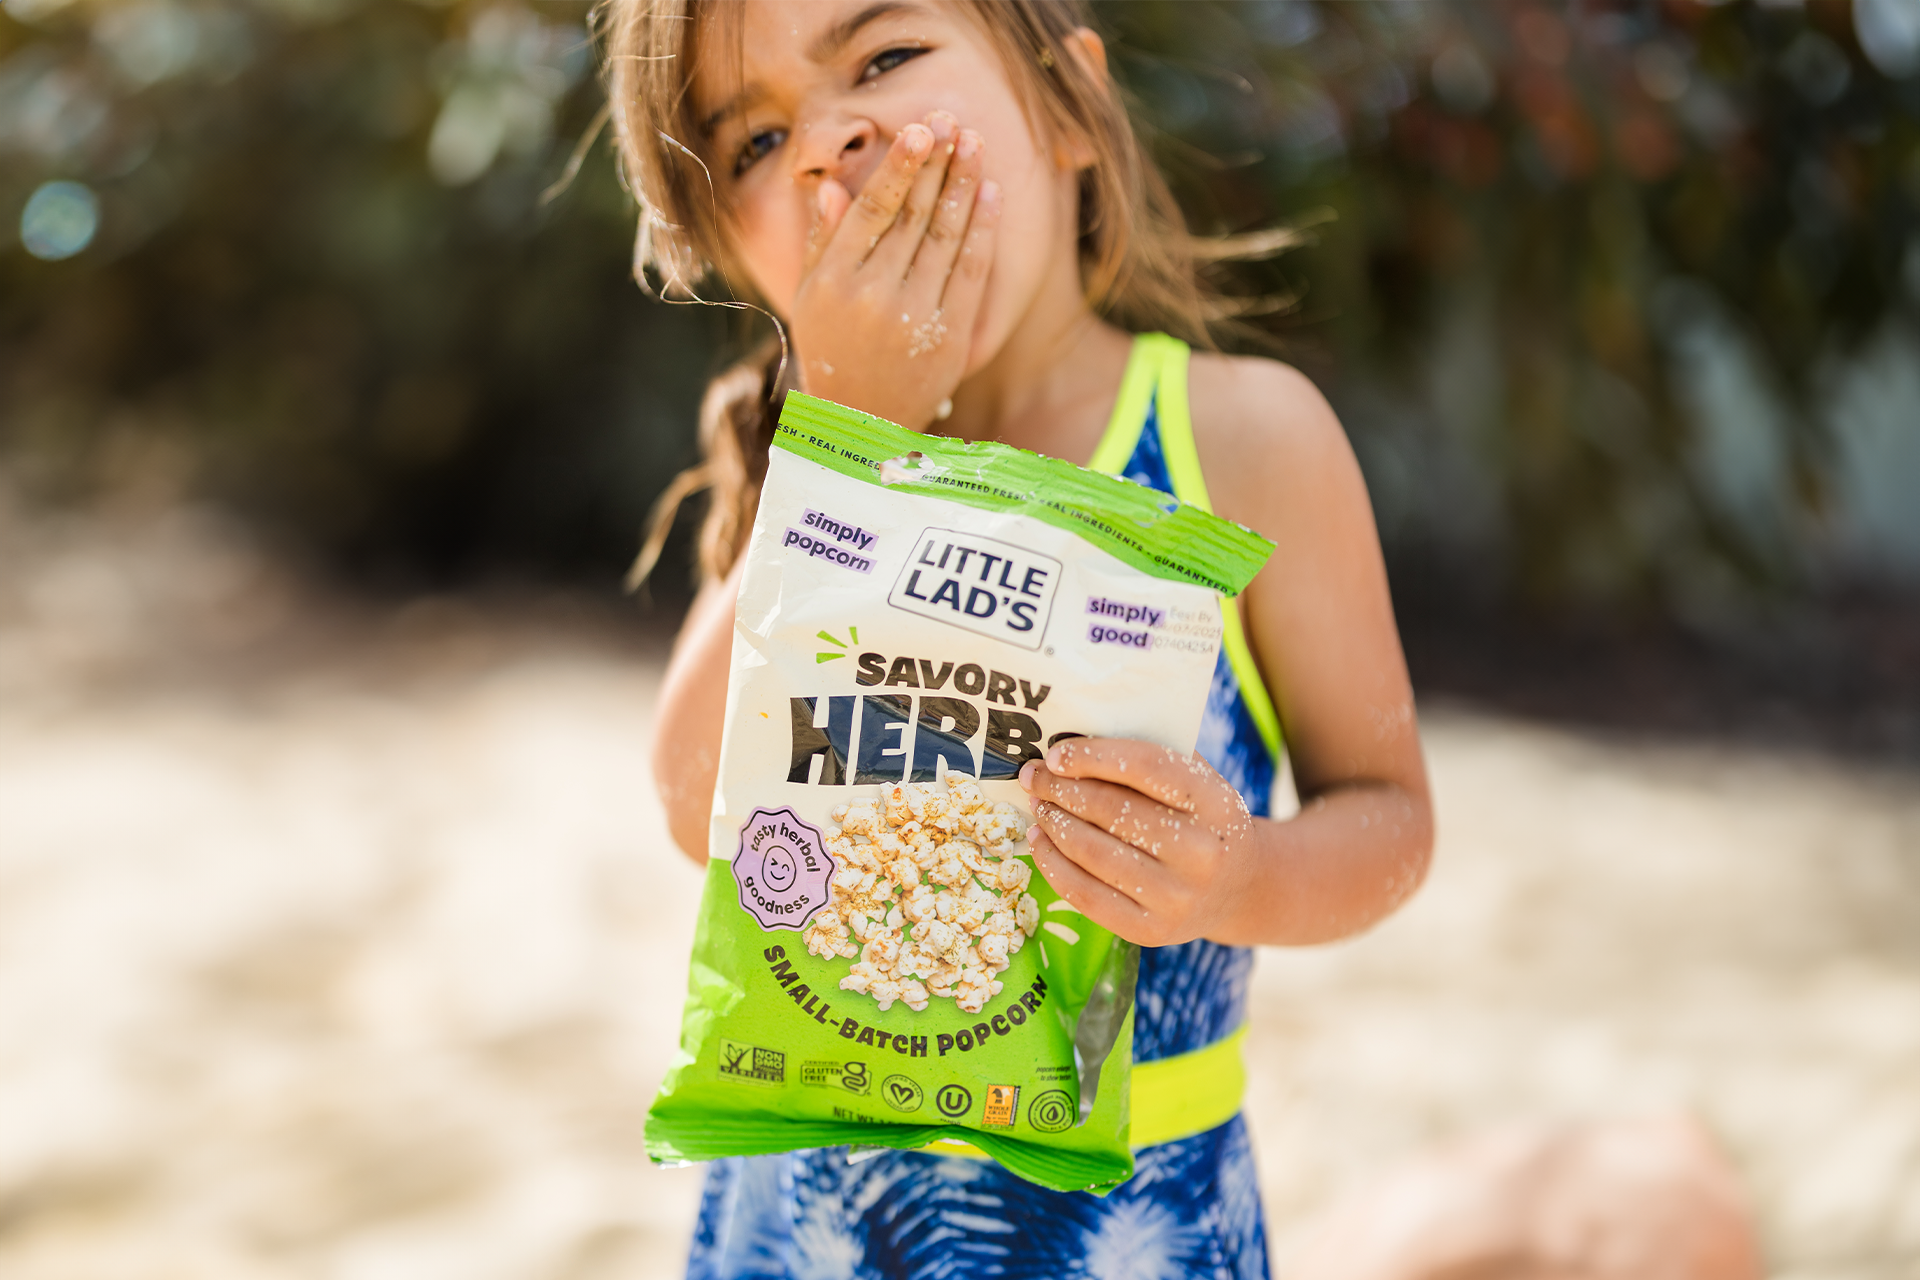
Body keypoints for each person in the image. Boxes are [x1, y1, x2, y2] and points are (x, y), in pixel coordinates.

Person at [605, 3, 1757, 1277]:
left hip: (1132, 1230)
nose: (830, 142)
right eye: (756, 141)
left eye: (883, 58)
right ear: (732, 247)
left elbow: (1390, 815)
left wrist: (1236, 880)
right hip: (804, 1226)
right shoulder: (812, 482)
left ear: (1067, 114)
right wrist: (846, 450)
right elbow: (688, 801)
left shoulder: (1245, 446)